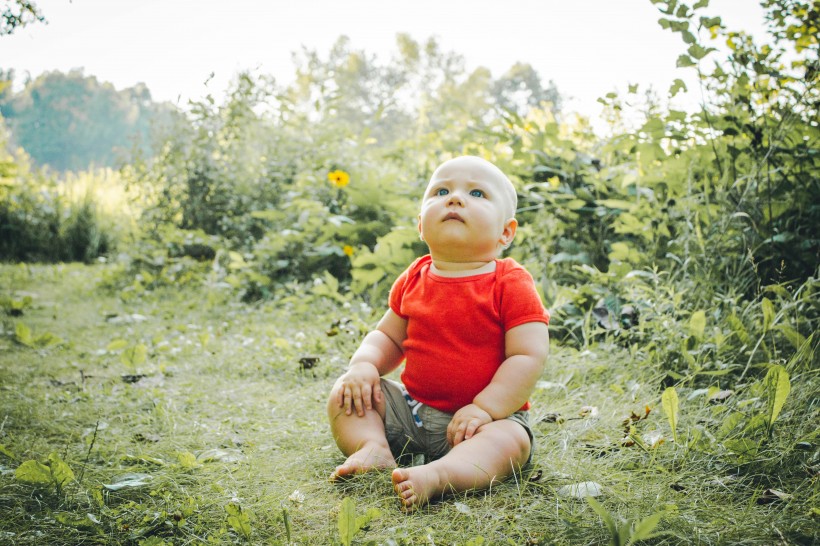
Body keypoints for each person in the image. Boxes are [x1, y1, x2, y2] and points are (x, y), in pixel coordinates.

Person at [327, 155, 550, 511]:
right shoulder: (414, 277)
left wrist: (485, 408)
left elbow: (528, 356)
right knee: (347, 392)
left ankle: (441, 475)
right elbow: (387, 337)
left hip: (485, 423)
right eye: (442, 190)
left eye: (477, 193)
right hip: (412, 413)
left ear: (506, 232)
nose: (455, 198)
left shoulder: (509, 282)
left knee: (510, 442)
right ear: (420, 225)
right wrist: (364, 364)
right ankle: (373, 448)